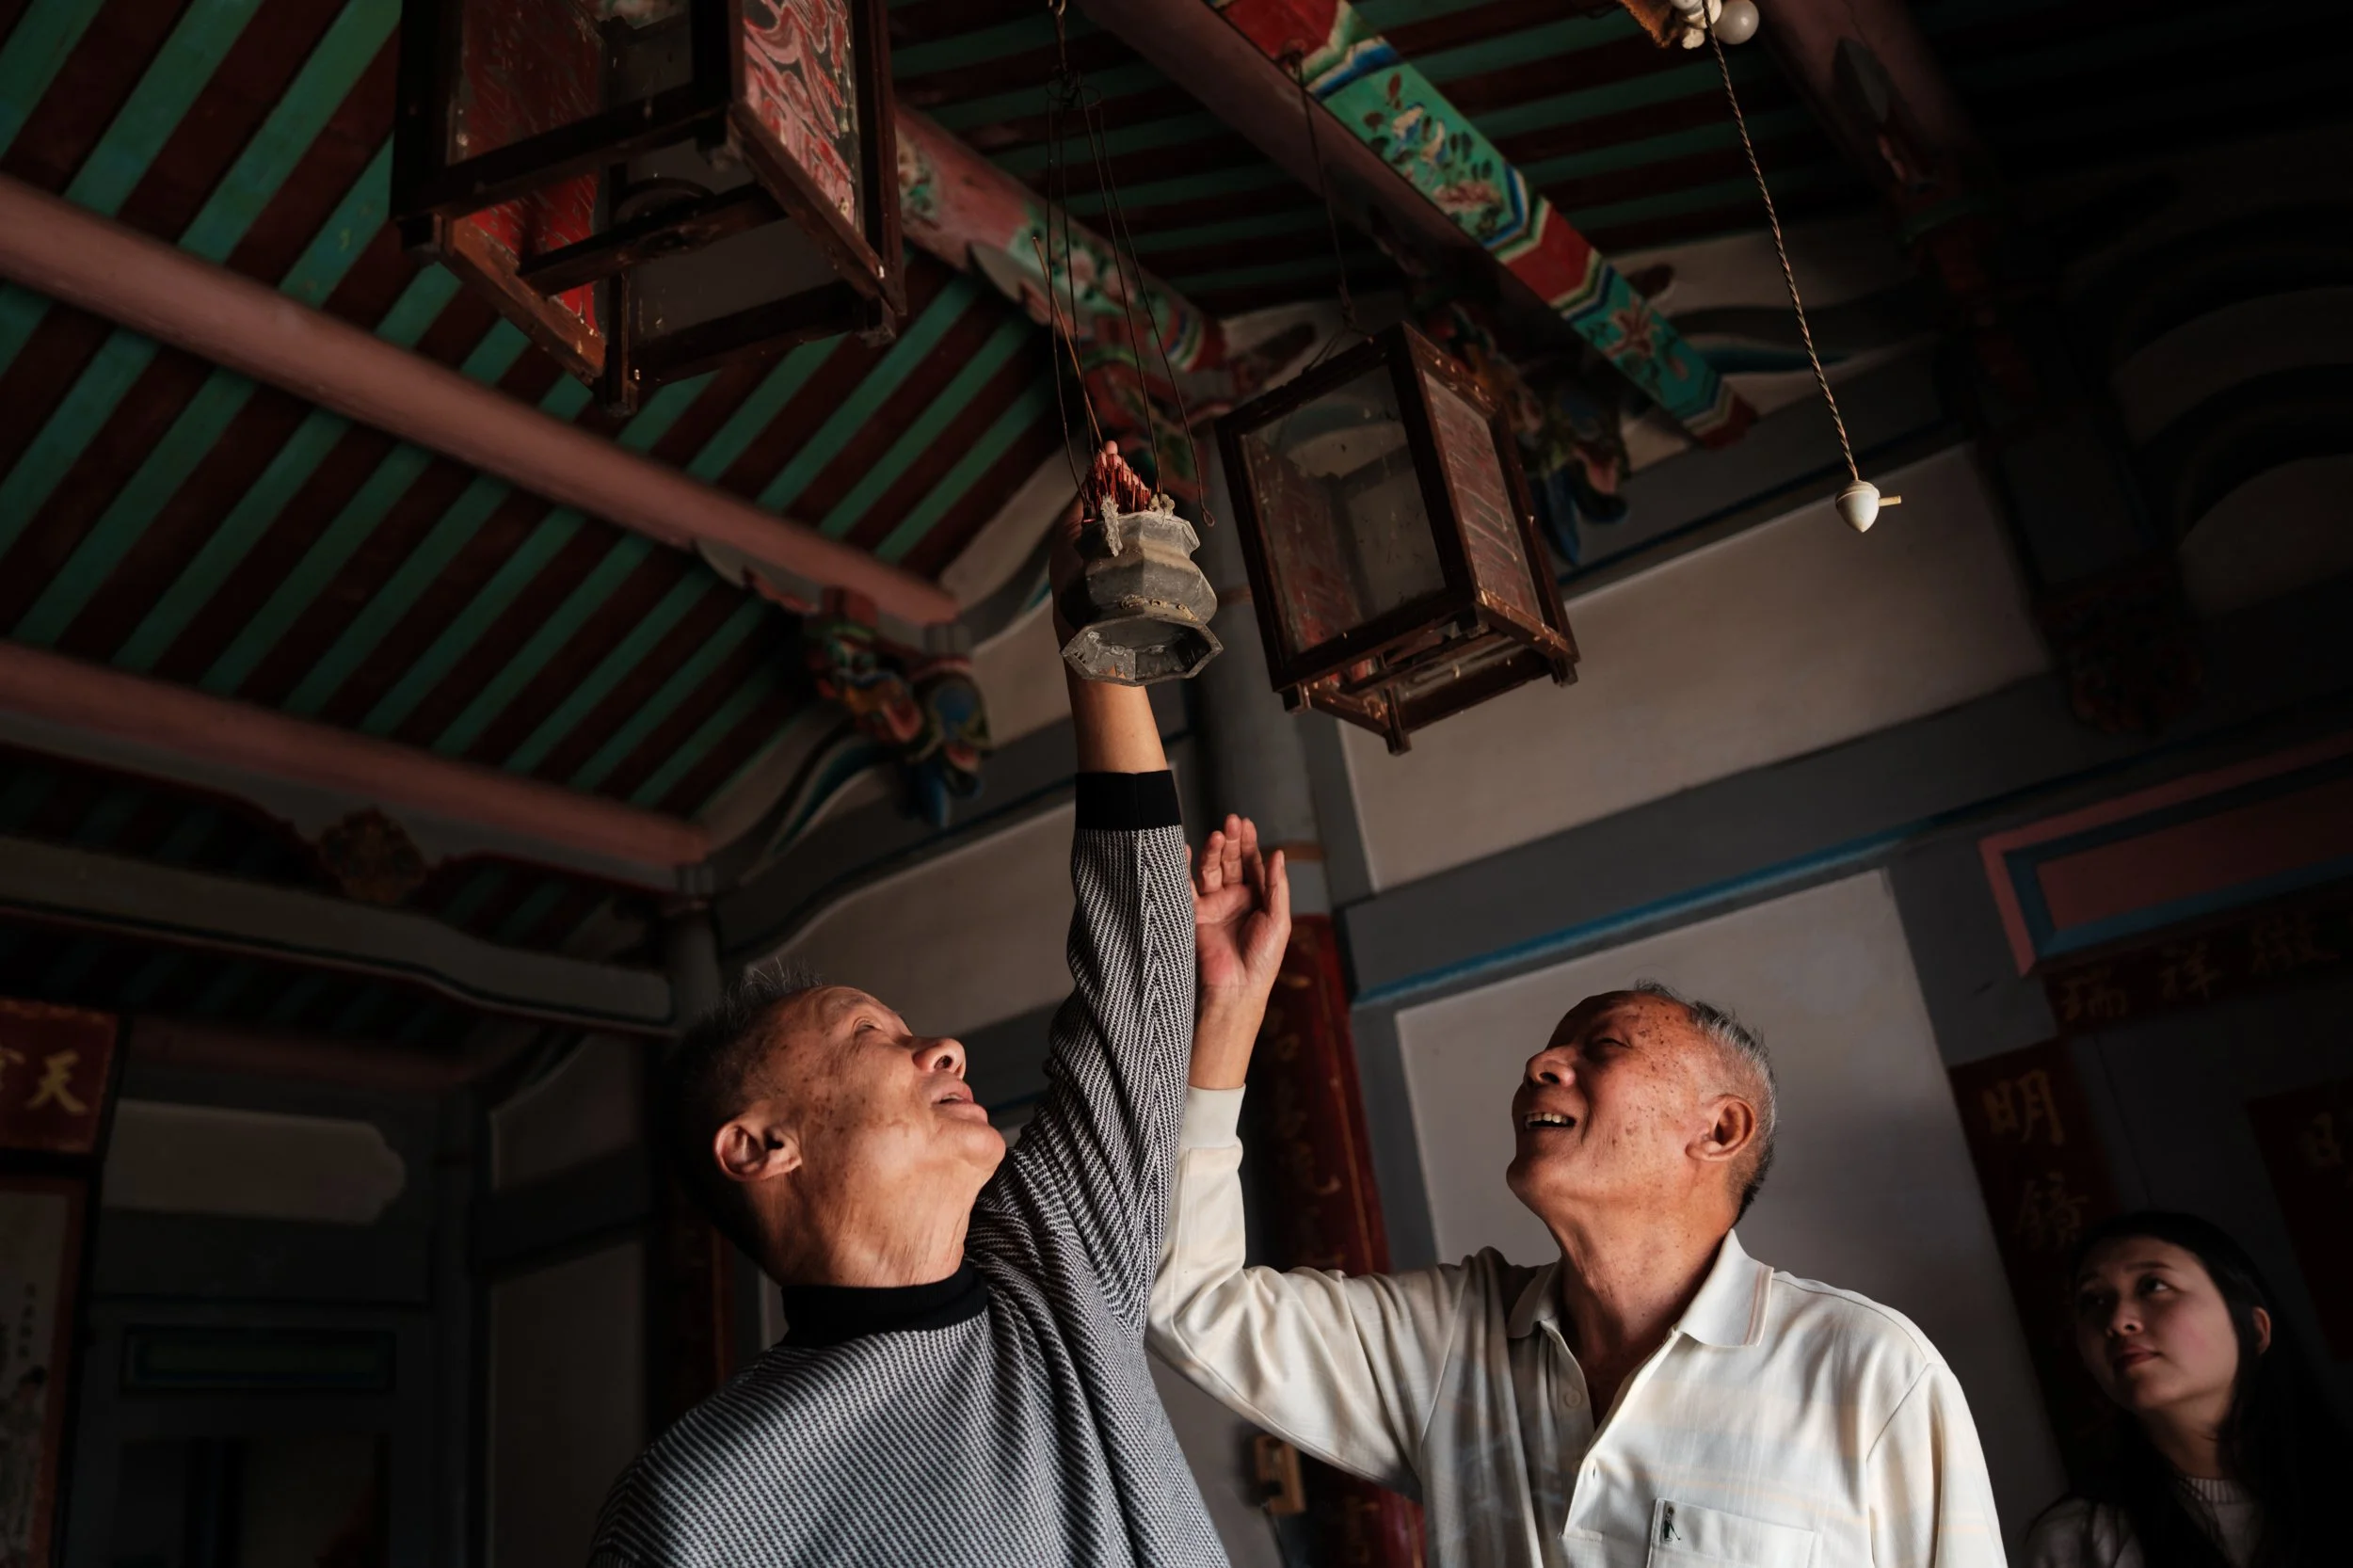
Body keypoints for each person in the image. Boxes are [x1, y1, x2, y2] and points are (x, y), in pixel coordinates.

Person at [586, 507, 1290, 1568]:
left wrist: (1087, 617)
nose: (943, 1051)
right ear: (760, 1145)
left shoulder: (1052, 1274)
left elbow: (1142, 977)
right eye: (870, 1034)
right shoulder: (703, 1507)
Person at [1151, 981, 2009, 1568]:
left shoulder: (1870, 1371)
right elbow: (1188, 1298)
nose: (1541, 1067)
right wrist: (1228, 1012)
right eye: (1551, 1050)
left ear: (1718, 1132)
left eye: (1603, 1047)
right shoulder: (1457, 1340)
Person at [2025, 1211, 2349, 1568]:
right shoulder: (2076, 1541)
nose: (2118, 1322)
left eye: (2153, 1286)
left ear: (2255, 1330)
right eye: (2092, 1300)